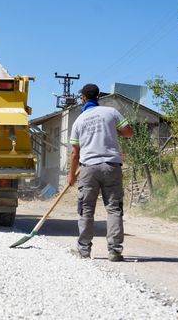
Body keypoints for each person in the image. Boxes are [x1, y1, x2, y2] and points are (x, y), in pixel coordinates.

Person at [67, 84, 134, 262]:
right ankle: (114, 251)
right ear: (99, 97)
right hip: (111, 166)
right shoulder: (111, 112)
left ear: (83, 98)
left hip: (89, 168)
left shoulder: (79, 120)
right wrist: (114, 132)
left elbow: (75, 152)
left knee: (86, 210)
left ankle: (84, 250)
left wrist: (71, 175)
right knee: (114, 209)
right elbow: (129, 133)